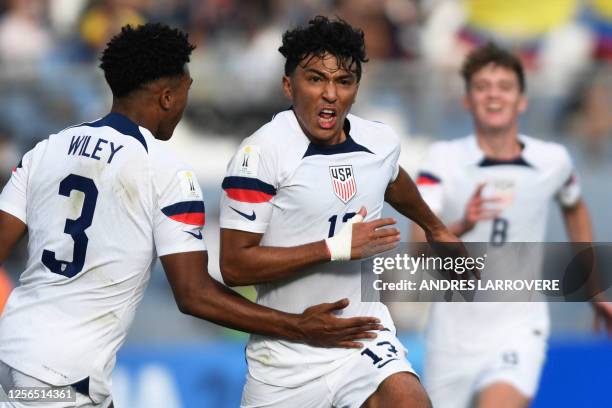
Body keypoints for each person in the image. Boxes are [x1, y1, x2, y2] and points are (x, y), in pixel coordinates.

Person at [0, 23, 388, 408]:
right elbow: (194, 294)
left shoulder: (46, 149)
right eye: (186, 91)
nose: (185, 105)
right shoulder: (166, 171)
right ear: (168, 98)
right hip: (63, 378)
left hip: (13, 351)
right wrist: (297, 326)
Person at [220, 16, 461, 408]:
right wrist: (335, 248)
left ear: (356, 89)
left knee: (409, 399)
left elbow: (393, 178)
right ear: (288, 86)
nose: (330, 94)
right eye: (315, 79)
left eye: (343, 81)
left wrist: (434, 228)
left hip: (363, 337)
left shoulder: (379, 142)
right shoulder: (259, 155)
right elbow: (234, 266)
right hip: (287, 357)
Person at [412, 43, 612, 408]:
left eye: (504, 86)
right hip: (452, 336)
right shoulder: (443, 159)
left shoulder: (552, 160)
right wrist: (463, 224)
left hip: (518, 329)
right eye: (482, 87)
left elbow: (575, 208)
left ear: (522, 100)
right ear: (467, 101)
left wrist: (595, 290)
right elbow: (417, 246)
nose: (493, 95)